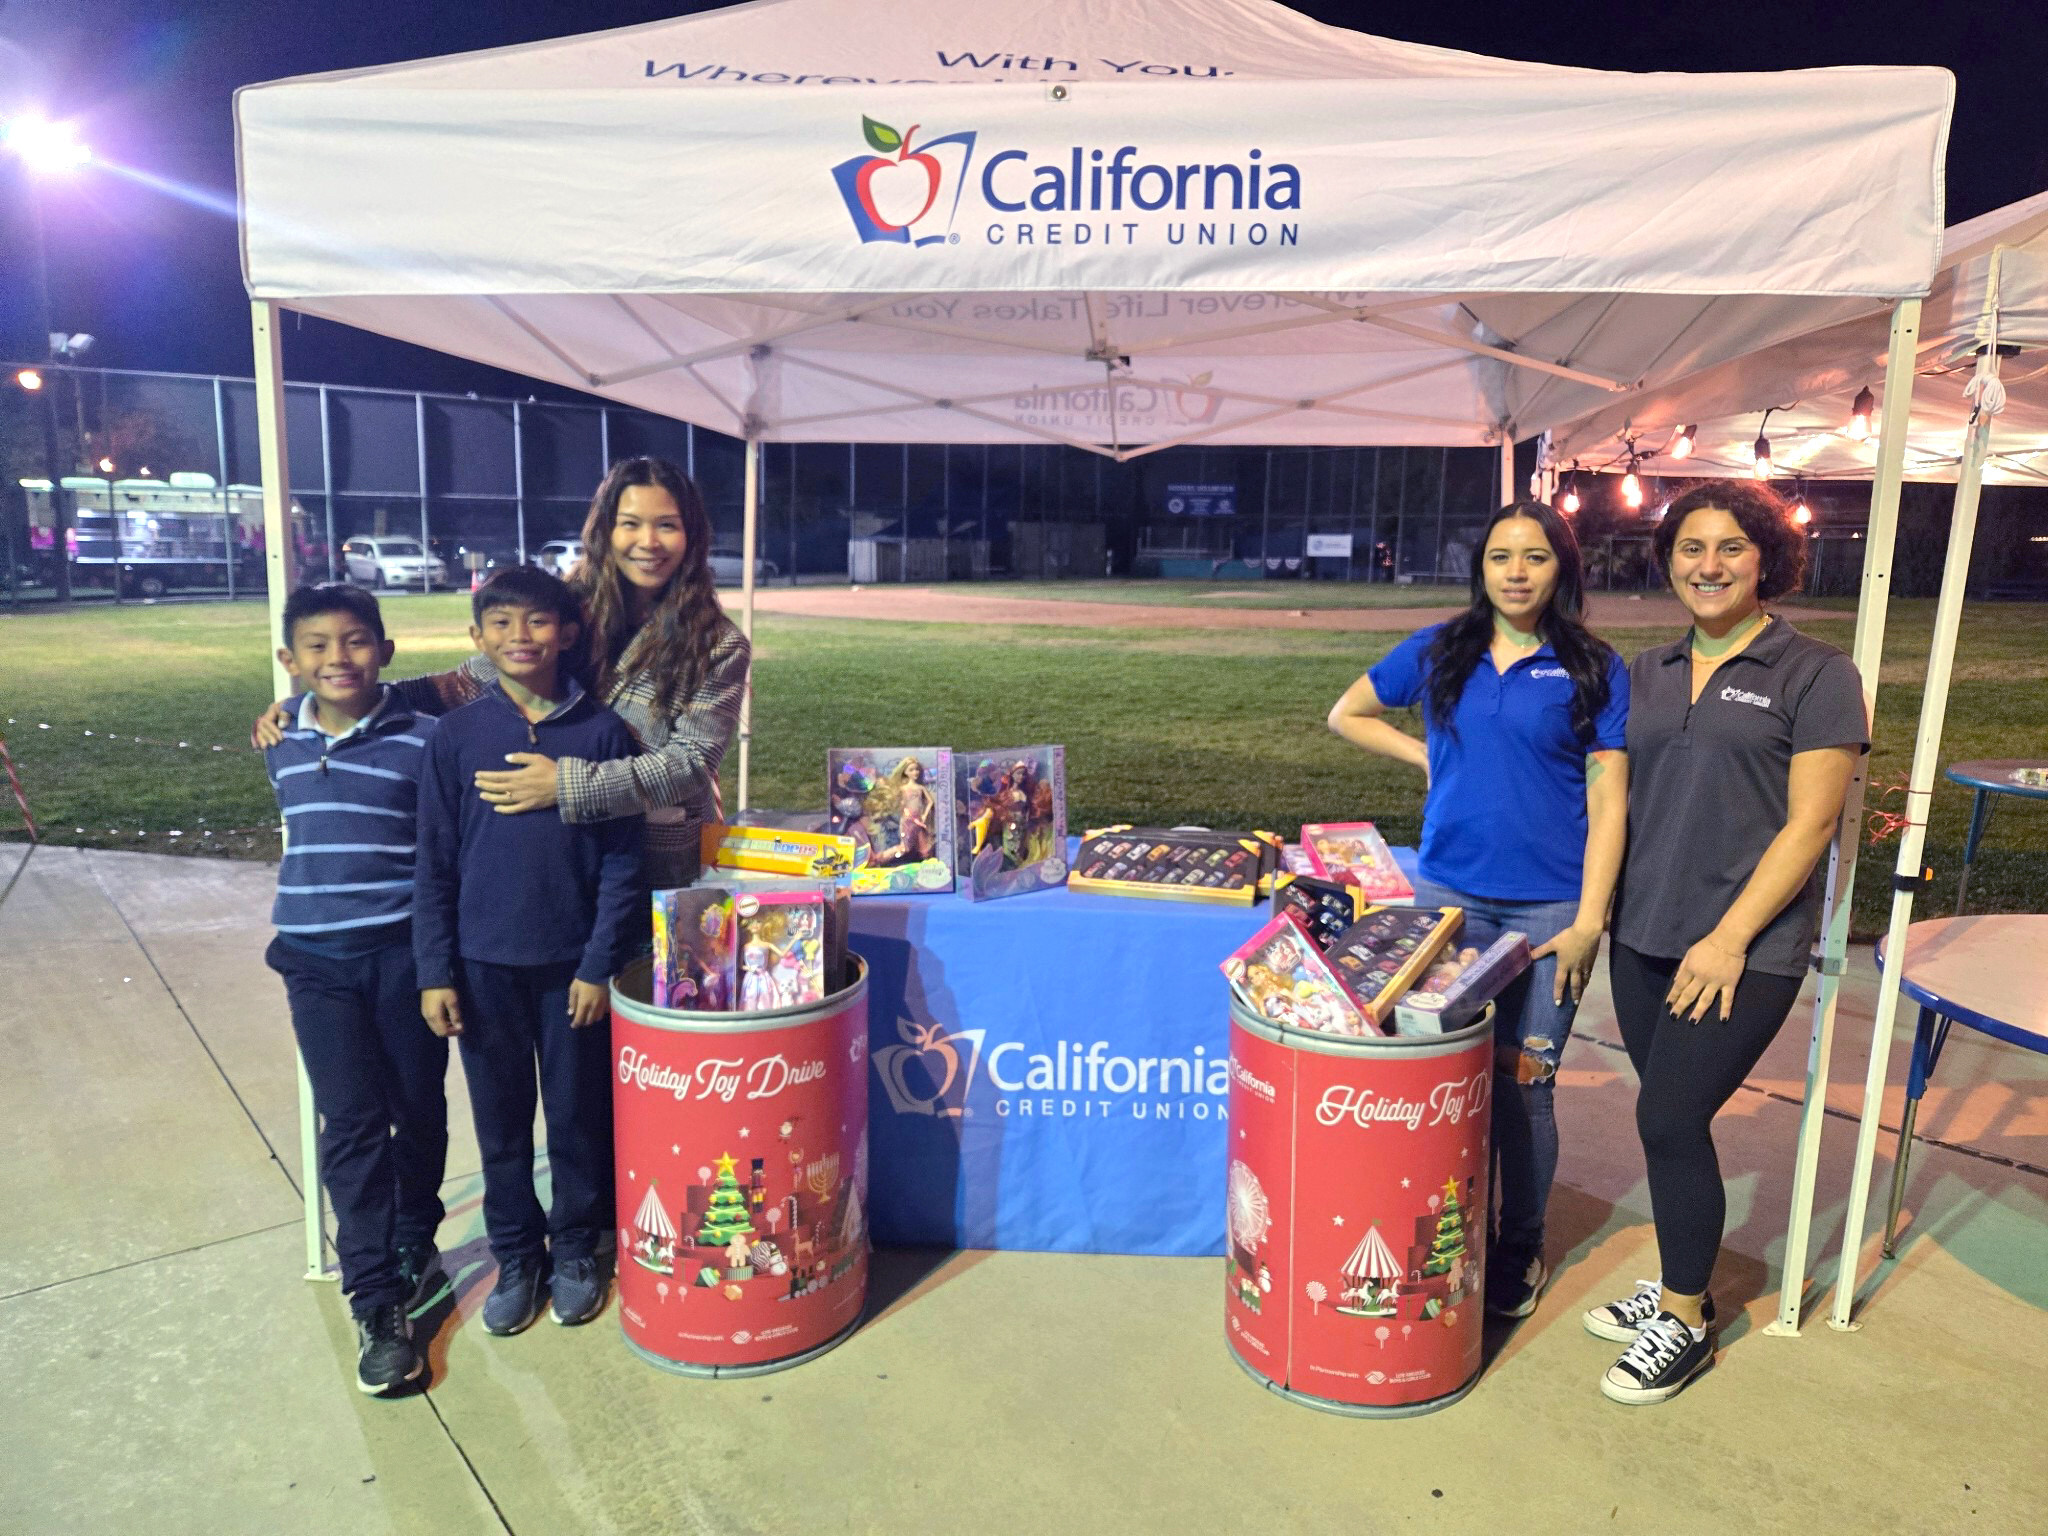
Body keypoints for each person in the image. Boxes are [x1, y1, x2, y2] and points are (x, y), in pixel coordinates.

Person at [1585, 482, 1865, 1406]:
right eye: (1691, 549)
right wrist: (1597, 918)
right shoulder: (1648, 668)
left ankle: (1689, 1317)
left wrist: (1731, 937)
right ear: (1668, 562)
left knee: (1668, 1120)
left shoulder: (1815, 673)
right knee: (1670, 1123)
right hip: (1644, 936)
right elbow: (1615, 803)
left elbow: (1812, 823)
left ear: (1766, 560)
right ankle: (1678, 1281)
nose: (1709, 566)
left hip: (1743, 950)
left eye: (1732, 548)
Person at [1328, 500, 1629, 1319]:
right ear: (1482, 567)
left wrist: (1589, 921)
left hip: (1548, 911)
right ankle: (1432, 1226)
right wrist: (1421, 752)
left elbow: (1610, 805)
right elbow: (1346, 713)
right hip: (1448, 901)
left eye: (1535, 557)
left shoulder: (1594, 665)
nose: (1517, 572)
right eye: (1501, 557)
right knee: (1436, 1073)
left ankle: (1518, 1244)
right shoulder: (1440, 650)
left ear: (1561, 567)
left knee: (1525, 1083)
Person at [257, 458, 749, 891]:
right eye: (630, 524)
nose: (648, 542)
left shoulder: (716, 643)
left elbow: (691, 765)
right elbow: (462, 685)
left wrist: (568, 786)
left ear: (692, 535)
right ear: (605, 531)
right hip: (556, 851)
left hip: (653, 862)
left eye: (667, 525)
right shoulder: (561, 606)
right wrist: (326, 703)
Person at [413, 566, 645, 1335]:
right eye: (502, 624)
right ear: (477, 640)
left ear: (569, 633)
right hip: (483, 969)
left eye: (538, 622)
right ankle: (520, 1254)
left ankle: (578, 1246)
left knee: (577, 1115)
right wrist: (436, 969)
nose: (522, 637)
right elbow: (435, 859)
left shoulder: (602, 732)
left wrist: (597, 964)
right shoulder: (457, 733)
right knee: (502, 1123)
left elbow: (622, 862)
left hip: (572, 970)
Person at [262, 583, 446, 1396]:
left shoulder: (426, 744)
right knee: (353, 1123)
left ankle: (417, 1234)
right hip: (314, 962)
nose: (338, 658)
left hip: (404, 956)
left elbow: (440, 860)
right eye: (317, 645)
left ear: (386, 650)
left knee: (418, 1108)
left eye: (355, 641)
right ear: (289, 660)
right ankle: (375, 1300)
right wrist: (277, 712)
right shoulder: (280, 741)